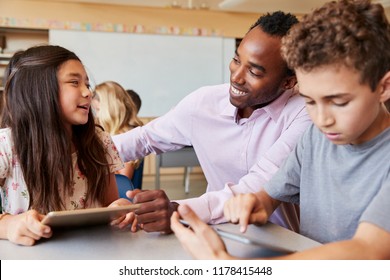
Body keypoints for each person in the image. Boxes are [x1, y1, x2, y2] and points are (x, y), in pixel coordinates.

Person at [171, 0, 390, 259]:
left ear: (384, 87)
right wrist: (254, 204)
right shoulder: (315, 137)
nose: (322, 119)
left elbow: (368, 250)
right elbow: (268, 196)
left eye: (339, 102)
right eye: (309, 100)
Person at [112, 11, 311, 233]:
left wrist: (179, 210)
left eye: (254, 71)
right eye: (236, 60)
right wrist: (77, 154)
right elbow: (143, 138)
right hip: (214, 231)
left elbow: (258, 186)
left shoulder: (305, 113)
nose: (236, 77)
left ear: (289, 82)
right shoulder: (204, 102)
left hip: (283, 242)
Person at [0, 45, 127, 246]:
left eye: (87, 83)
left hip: (94, 253)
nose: (88, 92)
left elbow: (110, 204)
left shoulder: (99, 141)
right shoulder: (6, 145)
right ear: (39, 90)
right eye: (74, 82)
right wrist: (8, 225)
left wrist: (120, 209)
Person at [93, 81, 144, 180]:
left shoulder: (125, 138)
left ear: (111, 109)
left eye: (99, 110)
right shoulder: (105, 133)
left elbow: (123, 181)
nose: (97, 116)